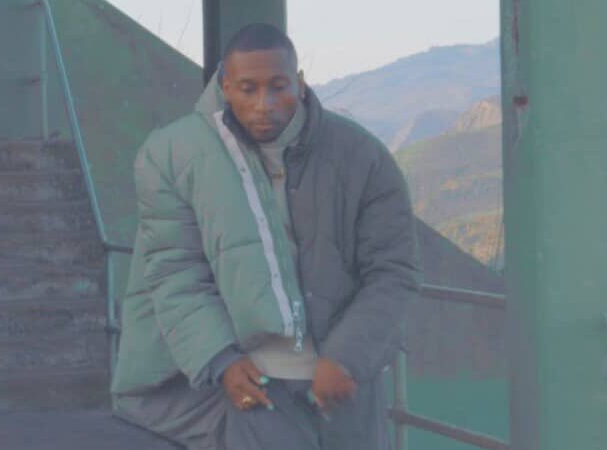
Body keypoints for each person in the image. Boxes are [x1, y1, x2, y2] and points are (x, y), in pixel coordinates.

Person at [111, 23, 421, 450]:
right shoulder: (172, 155)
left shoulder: (362, 156)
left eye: (278, 87)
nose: (264, 105)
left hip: (341, 380)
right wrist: (221, 361)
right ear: (225, 86)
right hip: (252, 381)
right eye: (248, 89)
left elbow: (393, 271)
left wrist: (347, 356)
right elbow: (175, 272)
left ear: (300, 82)